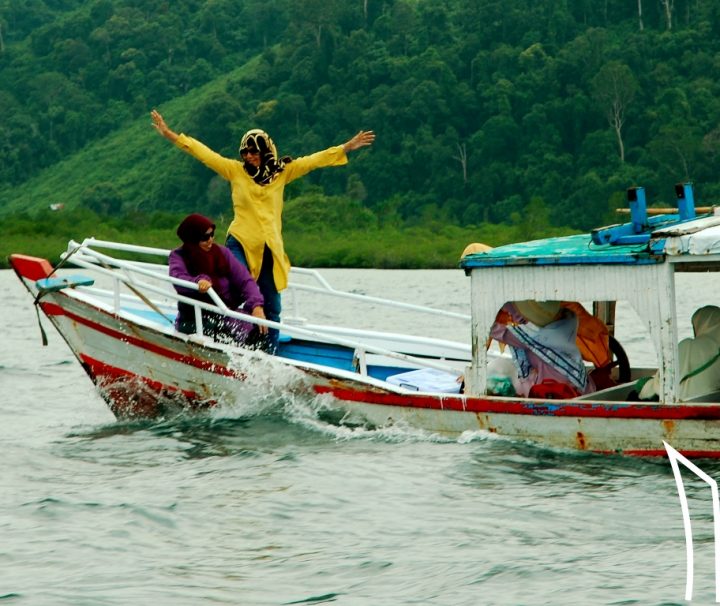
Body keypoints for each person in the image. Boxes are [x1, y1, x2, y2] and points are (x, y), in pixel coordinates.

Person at [151, 109, 375, 353]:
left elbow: (313, 161)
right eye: (245, 152)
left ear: (265, 150)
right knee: (235, 290)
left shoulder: (282, 173)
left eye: (254, 151)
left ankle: (267, 354)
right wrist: (170, 135)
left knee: (271, 304)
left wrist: (346, 147)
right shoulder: (235, 171)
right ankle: (224, 339)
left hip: (270, 247)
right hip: (240, 241)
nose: (249, 156)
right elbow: (203, 153)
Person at [169, 213, 267, 346]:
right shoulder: (179, 256)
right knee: (224, 328)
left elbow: (245, 279)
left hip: (224, 310)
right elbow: (178, 277)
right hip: (194, 317)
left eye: (212, 234)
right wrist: (198, 282)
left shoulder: (222, 253)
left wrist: (256, 306)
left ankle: (251, 358)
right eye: (205, 237)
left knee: (257, 327)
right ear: (192, 238)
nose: (210, 240)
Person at [488, 300, 594, 398]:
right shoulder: (565, 322)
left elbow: (495, 330)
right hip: (580, 386)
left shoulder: (537, 337)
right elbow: (522, 318)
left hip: (558, 393)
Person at [639, 305, 720, 401]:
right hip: (711, 402)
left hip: (680, 404)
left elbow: (662, 381)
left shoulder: (688, 346)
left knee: (641, 386)